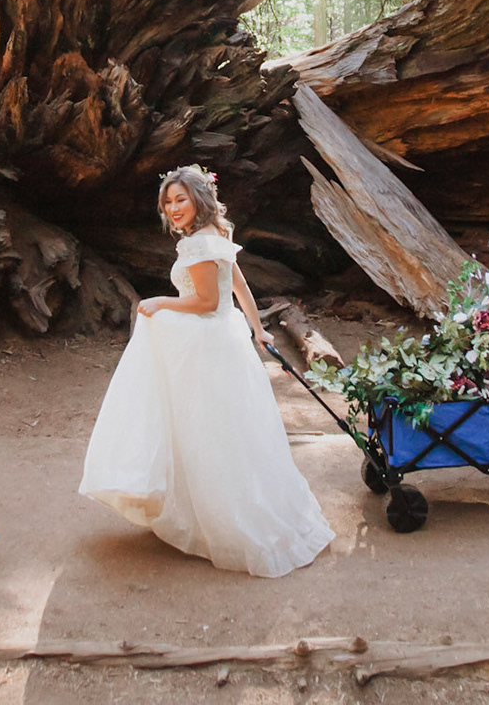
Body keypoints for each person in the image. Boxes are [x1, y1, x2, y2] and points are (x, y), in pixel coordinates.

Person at [79, 166, 334, 577]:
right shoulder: (216, 234)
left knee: (203, 430)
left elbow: (205, 300)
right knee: (224, 431)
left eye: (180, 199)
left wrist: (161, 301)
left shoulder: (199, 244)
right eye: (168, 201)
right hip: (225, 337)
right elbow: (238, 285)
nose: (173, 208)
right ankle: (207, 509)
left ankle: (216, 519)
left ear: (199, 198)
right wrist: (257, 327)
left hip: (207, 343)